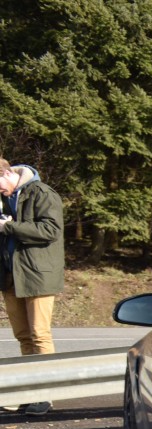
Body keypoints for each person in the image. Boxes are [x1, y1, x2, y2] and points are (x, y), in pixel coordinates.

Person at [0, 158, 64, 415]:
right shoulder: (6, 198)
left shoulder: (42, 193)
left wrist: (9, 226)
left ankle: (46, 395)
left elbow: (51, 230)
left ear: (6, 173)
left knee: (39, 335)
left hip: (38, 274)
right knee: (23, 336)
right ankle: (30, 392)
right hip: (10, 275)